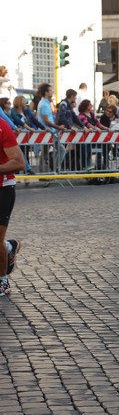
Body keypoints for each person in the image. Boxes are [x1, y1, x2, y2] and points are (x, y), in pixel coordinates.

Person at [0, 117, 26, 296]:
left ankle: (3, 281)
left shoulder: (1, 127)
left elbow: (19, 162)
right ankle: (8, 247)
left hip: (2, 188)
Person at [37, 83, 66, 170]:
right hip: (48, 132)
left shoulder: (44, 103)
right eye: (50, 90)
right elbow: (46, 121)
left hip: (49, 132)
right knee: (61, 150)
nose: (52, 92)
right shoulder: (44, 104)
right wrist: (58, 127)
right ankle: (55, 168)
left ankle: (46, 172)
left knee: (44, 153)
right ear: (46, 92)